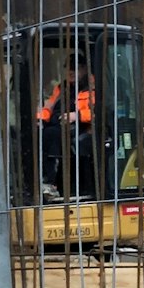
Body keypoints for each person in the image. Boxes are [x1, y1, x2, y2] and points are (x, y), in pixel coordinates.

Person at [37, 58, 97, 199]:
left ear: (84, 69)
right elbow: (49, 107)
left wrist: (77, 116)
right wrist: (40, 118)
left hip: (82, 128)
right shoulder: (61, 88)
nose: (71, 72)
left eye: (75, 68)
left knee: (51, 135)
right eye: (68, 68)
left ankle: (51, 182)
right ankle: (42, 179)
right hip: (58, 124)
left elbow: (99, 112)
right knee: (37, 135)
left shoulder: (93, 87)